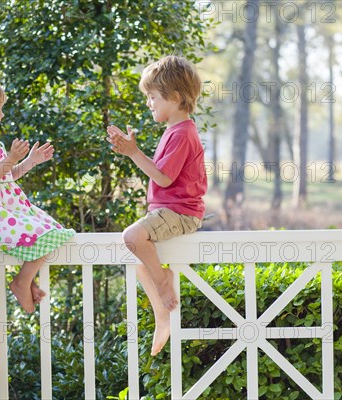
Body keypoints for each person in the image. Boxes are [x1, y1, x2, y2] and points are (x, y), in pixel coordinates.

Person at [106, 55, 207, 355]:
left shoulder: (183, 134)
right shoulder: (174, 131)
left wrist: (134, 153)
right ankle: (163, 316)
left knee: (132, 237)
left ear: (175, 97)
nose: (149, 103)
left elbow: (163, 178)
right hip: (169, 212)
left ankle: (164, 283)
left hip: (181, 213)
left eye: (153, 97)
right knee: (140, 264)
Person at [0, 76, 75, 313]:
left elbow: (9, 175)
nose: (2, 114)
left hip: (10, 208)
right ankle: (22, 282)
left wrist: (30, 161)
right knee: (42, 234)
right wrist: (11, 158)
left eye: (1, 108)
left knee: (53, 230)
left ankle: (26, 281)